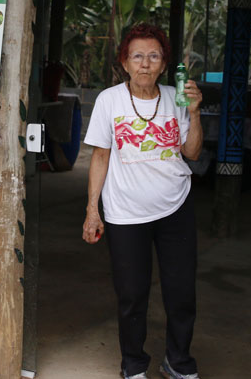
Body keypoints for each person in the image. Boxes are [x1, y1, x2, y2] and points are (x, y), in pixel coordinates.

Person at [82, 23, 203, 379]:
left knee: (181, 292)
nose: (145, 64)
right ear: (125, 62)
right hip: (125, 213)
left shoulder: (176, 98)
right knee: (132, 296)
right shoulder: (109, 100)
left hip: (175, 208)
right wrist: (93, 210)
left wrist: (194, 112)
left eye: (153, 56)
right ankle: (133, 366)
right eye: (138, 56)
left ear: (164, 64)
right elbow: (100, 157)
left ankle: (178, 362)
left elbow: (192, 152)